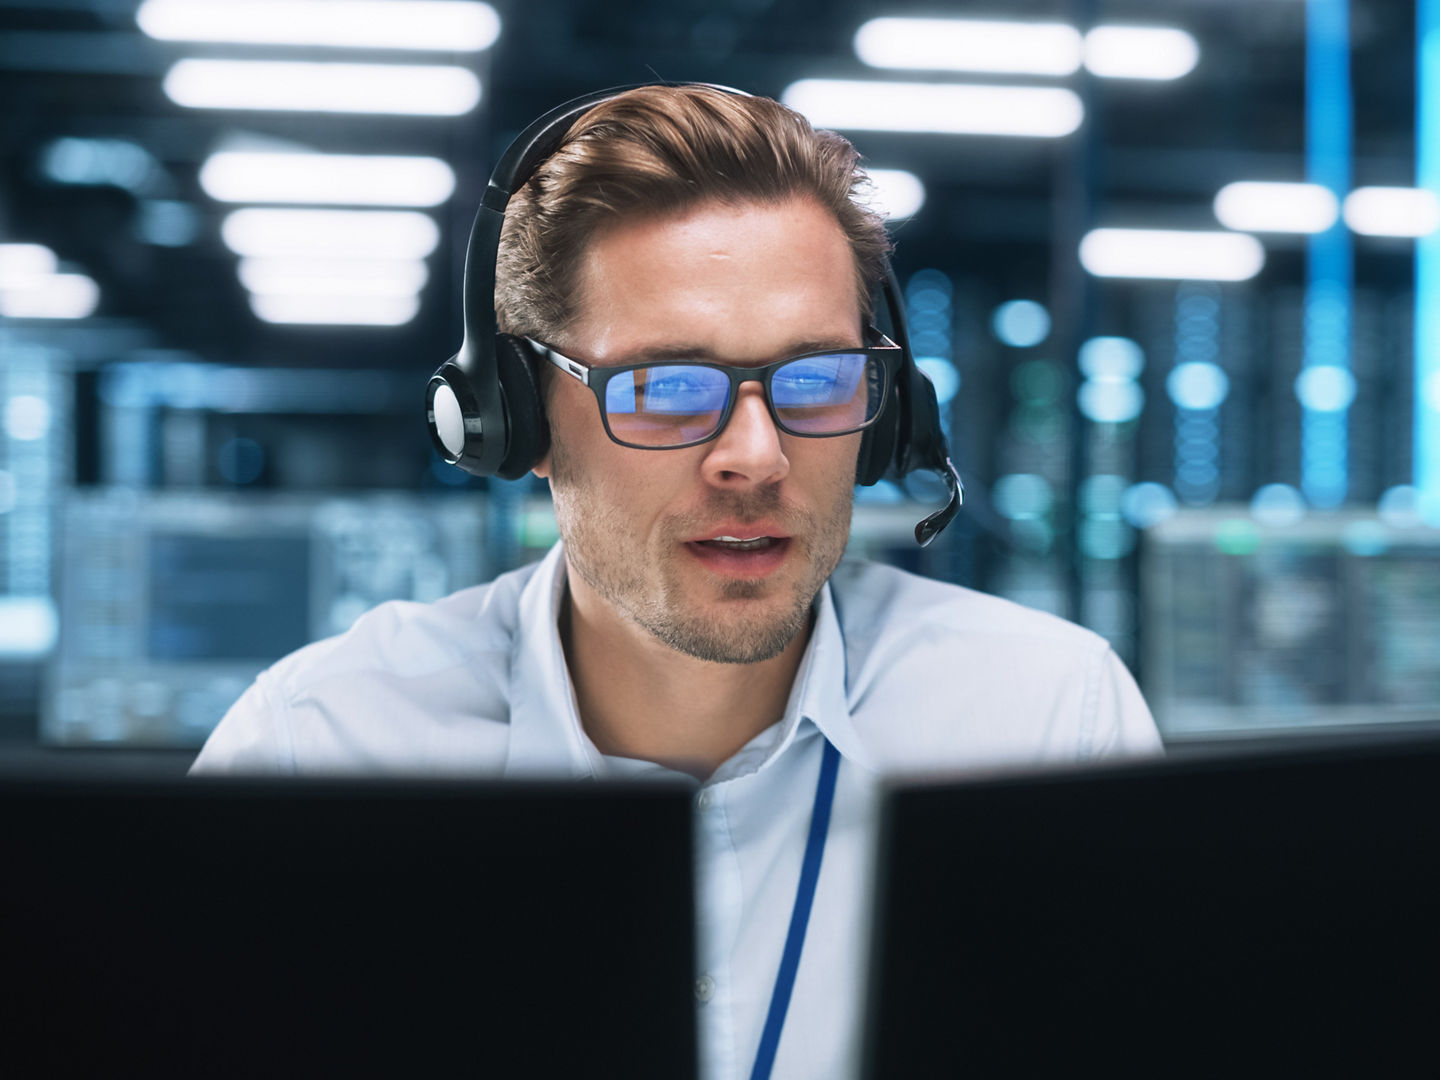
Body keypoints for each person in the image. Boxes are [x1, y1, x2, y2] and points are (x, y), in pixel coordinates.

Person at [191, 85, 1161, 1080]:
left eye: (818, 377)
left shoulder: (1048, 723)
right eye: (663, 387)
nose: (756, 458)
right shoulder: (319, 752)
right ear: (512, 421)